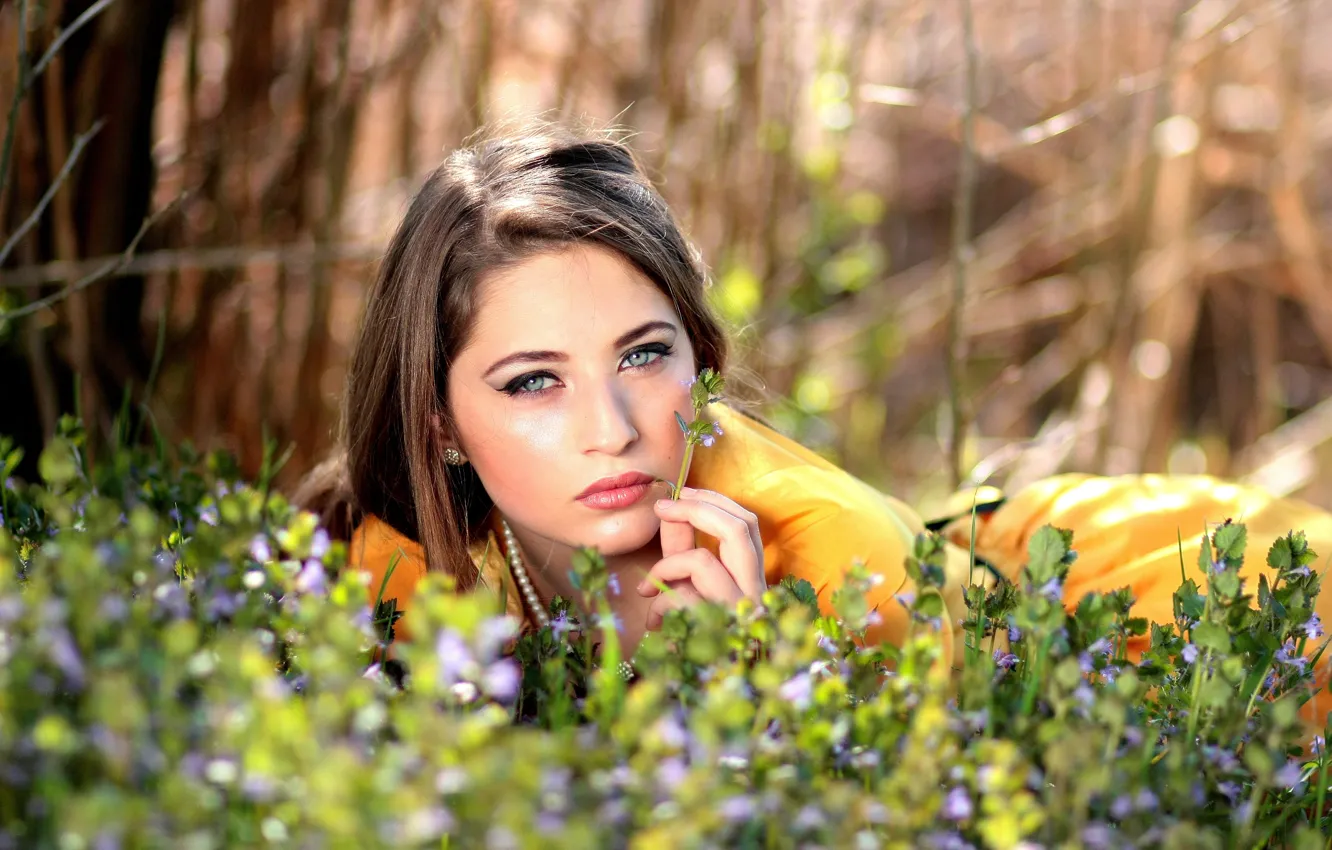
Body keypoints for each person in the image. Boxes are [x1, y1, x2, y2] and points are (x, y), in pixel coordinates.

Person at [294, 125, 1330, 725]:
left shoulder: (835, 567)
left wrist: (743, 686)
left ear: (703, 360)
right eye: (533, 382)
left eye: (645, 355)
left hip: (1207, 615)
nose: (609, 428)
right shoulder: (392, 565)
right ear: (437, 422)